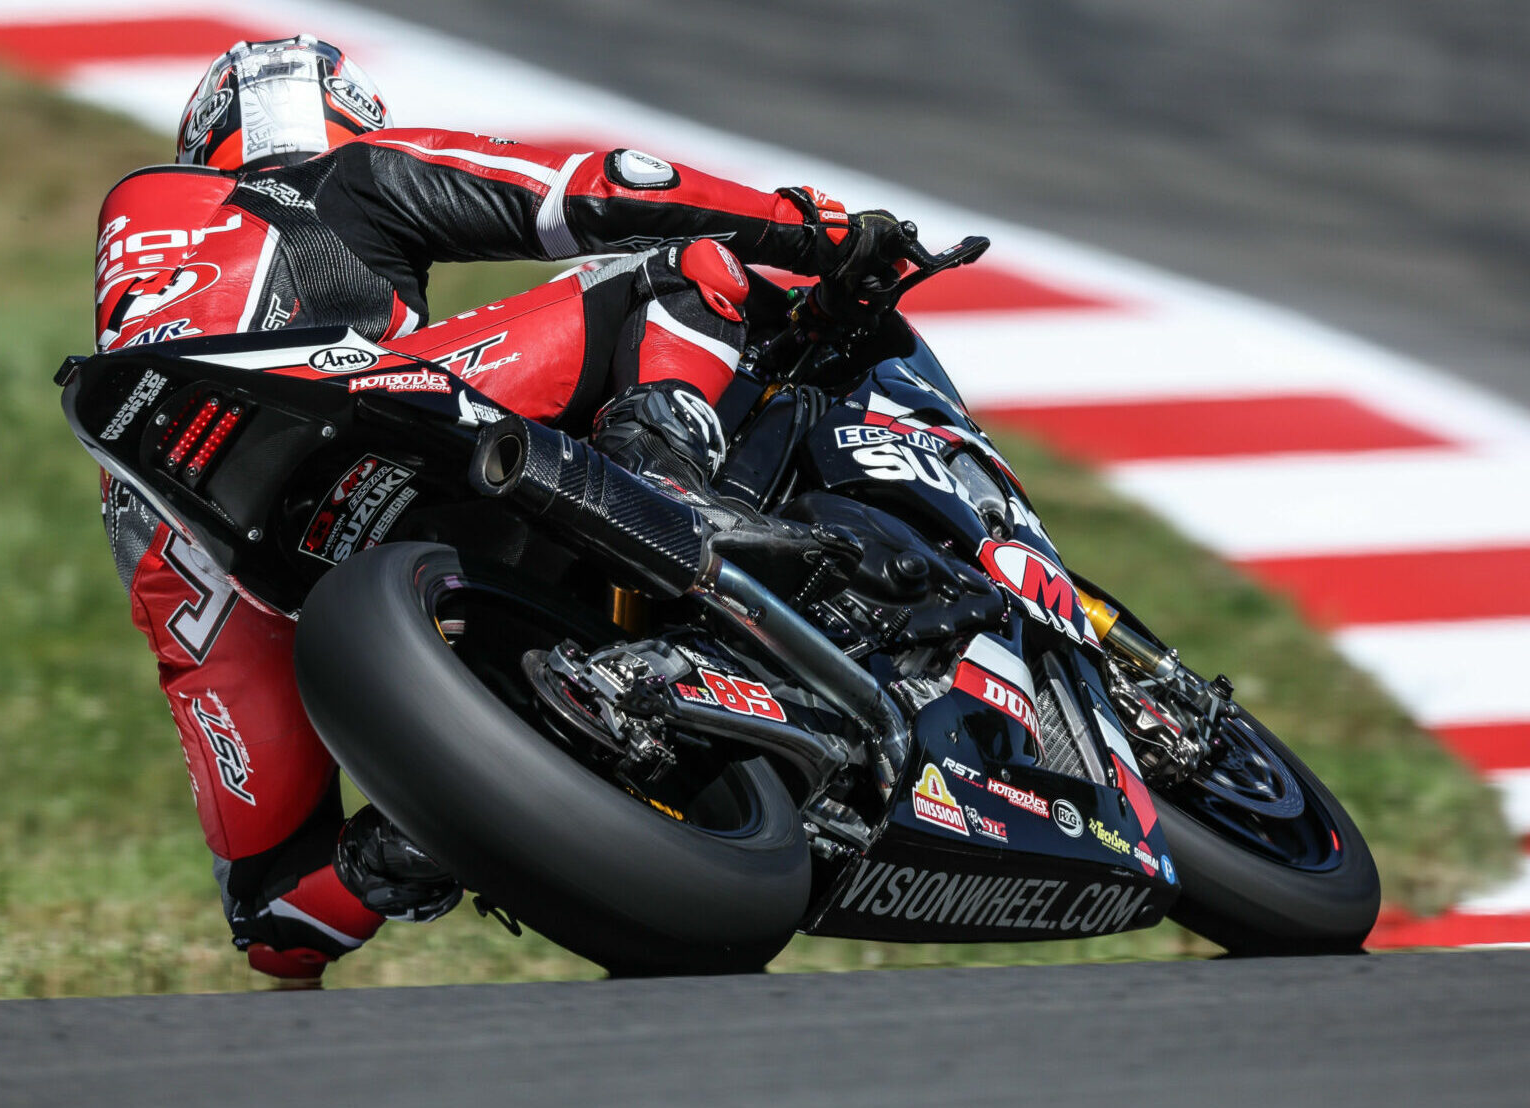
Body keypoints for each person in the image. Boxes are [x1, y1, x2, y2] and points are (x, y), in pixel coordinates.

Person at [92, 35, 916, 986]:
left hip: (192, 556)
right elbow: (608, 186)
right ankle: (670, 483)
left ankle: (394, 855)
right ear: (345, 118)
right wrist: (809, 228)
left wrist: (437, 822)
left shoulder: (142, 351)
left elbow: (276, 931)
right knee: (688, 270)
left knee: (277, 904)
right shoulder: (340, 178)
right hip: (363, 409)